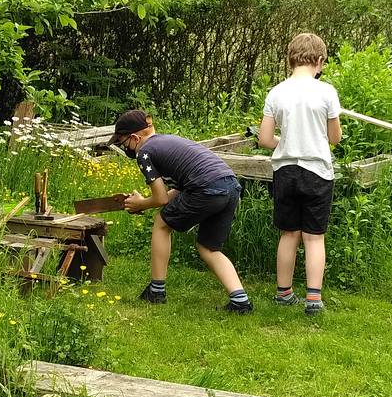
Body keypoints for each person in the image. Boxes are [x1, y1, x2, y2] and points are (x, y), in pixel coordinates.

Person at [108, 110, 253, 314]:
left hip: (207, 188)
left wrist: (141, 204)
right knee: (208, 247)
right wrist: (143, 202)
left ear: (134, 138)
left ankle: (156, 291)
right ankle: (240, 301)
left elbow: (161, 199)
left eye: (123, 143)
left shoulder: (144, 151)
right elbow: (179, 189)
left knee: (161, 222)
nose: (125, 148)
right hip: (230, 186)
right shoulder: (169, 141)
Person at [257, 32, 342, 316]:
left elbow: (265, 139)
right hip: (316, 170)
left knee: (288, 233)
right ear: (319, 61)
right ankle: (313, 299)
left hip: (285, 171)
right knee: (314, 237)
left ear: (290, 59)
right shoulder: (326, 91)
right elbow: (335, 138)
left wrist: (288, 142)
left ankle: (284, 293)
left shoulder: (276, 92)